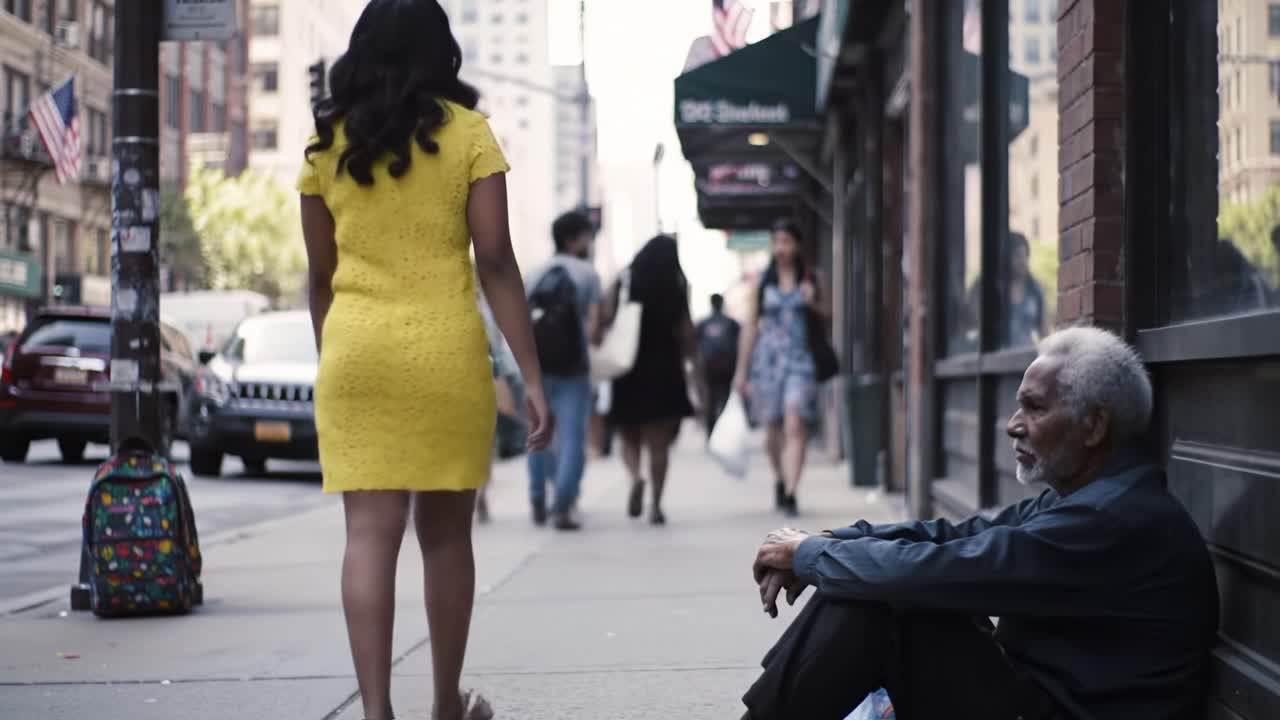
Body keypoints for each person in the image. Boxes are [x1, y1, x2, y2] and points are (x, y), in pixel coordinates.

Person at [742, 327, 1219, 720]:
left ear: (1094, 426)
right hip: (1032, 699)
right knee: (872, 579)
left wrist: (808, 555)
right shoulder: (1083, 500)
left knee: (881, 599)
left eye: (1034, 407)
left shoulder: (1113, 519)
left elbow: (944, 567)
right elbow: (954, 537)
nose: (1013, 424)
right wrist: (829, 542)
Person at [296, 3, 552, 719]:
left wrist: (336, 357)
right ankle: (445, 706)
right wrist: (530, 377)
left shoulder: (327, 147)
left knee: (368, 537)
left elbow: (320, 277)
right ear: (443, 52)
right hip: (444, 351)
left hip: (356, 350)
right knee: (445, 539)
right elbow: (496, 261)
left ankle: (376, 712)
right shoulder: (470, 135)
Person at [733, 219, 830, 517]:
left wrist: (813, 302)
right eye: (777, 242)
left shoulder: (813, 278)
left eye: (786, 241)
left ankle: (790, 491)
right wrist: (741, 370)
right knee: (772, 432)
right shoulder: (763, 282)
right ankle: (779, 477)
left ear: (797, 245)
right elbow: (750, 326)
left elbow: (830, 314)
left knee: (795, 423)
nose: (781, 248)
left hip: (800, 360)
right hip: (768, 363)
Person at [606, 235, 703, 525]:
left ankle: (636, 477)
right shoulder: (676, 285)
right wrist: (695, 369)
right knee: (659, 444)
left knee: (629, 436)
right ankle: (656, 506)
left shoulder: (625, 280)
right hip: (665, 368)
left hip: (629, 366)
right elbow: (686, 331)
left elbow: (606, 317)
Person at [524, 210, 602, 530]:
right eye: (586, 235)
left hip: (537, 366)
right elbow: (595, 329)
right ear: (575, 238)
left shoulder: (534, 274)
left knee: (538, 433)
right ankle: (563, 505)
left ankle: (537, 496)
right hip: (574, 368)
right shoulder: (587, 274)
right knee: (572, 438)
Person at [696, 293, 740, 437]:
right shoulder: (732, 324)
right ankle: (720, 431)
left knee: (710, 400)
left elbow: (696, 346)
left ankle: (712, 432)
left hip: (709, 369)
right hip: (726, 369)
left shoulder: (703, 324)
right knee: (723, 400)